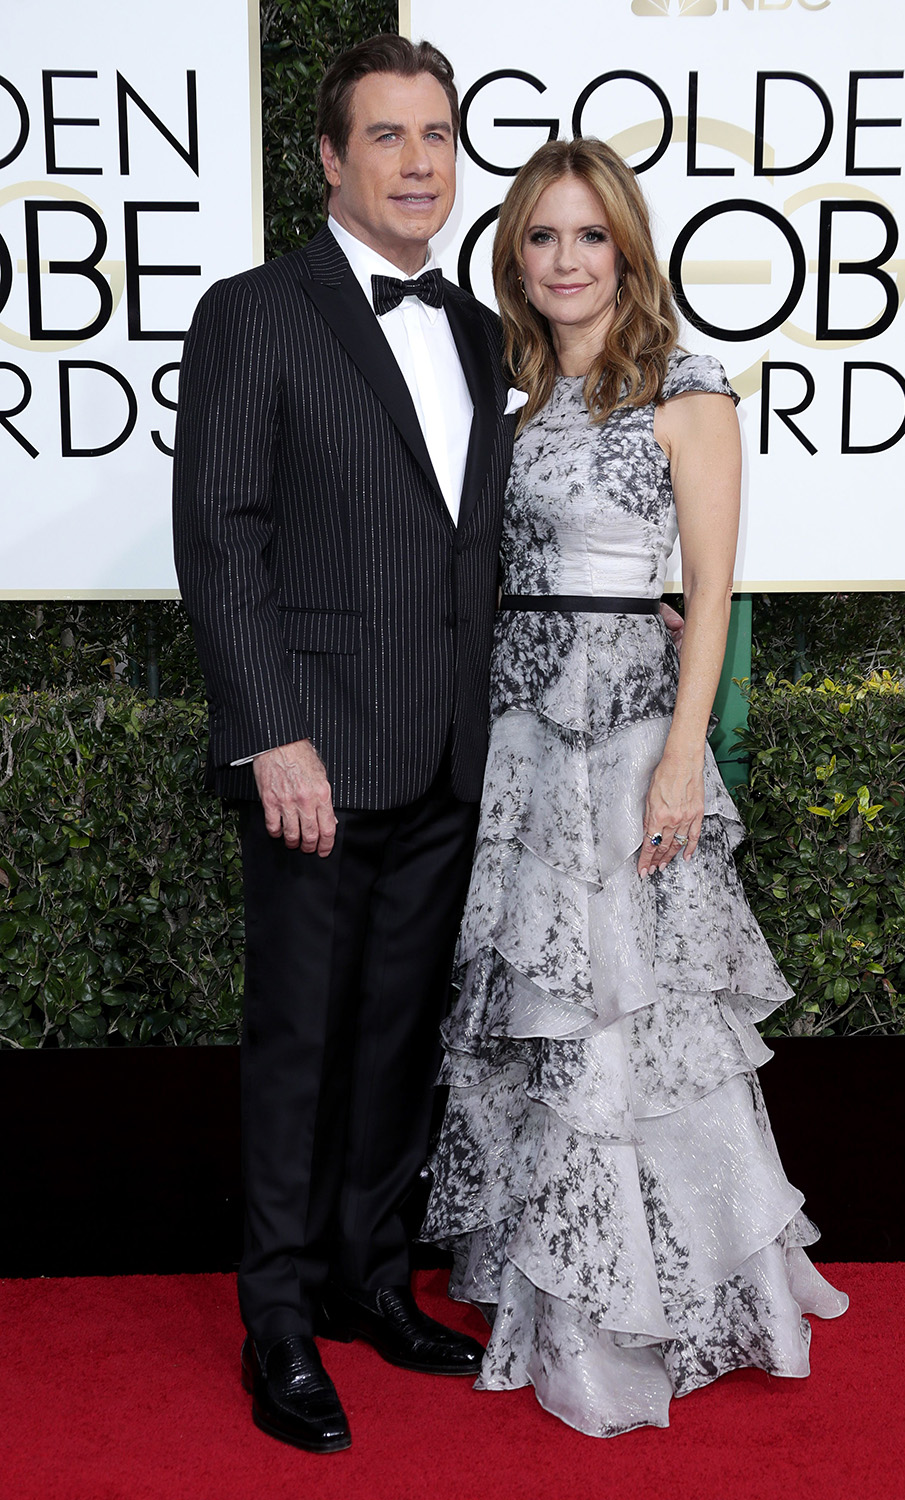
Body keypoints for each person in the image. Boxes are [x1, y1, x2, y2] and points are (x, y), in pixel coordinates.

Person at [422, 137, 849, 1438]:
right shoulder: (505, 390)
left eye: (587, 236)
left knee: (628, 1015)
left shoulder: (685, 383)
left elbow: (711, 587)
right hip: (515, 730)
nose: (564, 260)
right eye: (541, 238)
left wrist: (679, 757)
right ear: (517, 255)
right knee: (545, 1010)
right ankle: (554, 1274)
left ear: (626, 245)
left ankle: (626, 1323)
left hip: (621, 736)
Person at [172, 35, 518, 1454]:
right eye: (388, 137)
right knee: (300, 1044)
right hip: (315, 756)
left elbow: (476, 540)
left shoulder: (482, 329)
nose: (420, 162)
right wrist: (272, 735)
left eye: (438, 135)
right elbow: (222, 534)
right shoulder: (256, 311)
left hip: (446, 753)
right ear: (329, 159)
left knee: (395, 1043)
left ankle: (375, 1279)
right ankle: (276, 1324)